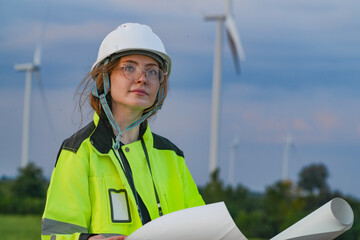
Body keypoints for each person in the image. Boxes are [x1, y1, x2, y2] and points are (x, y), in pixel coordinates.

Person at [41, 23, 205, 240]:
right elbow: (56, 234)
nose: (142, 78)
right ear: (105, 77)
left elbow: (204, 229)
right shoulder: (79, 152)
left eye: (152, 71)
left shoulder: (172, 156)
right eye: (129, 67)